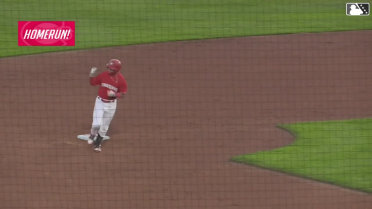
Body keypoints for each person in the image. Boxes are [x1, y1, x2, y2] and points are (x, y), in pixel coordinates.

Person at [88, 59, 128, 152]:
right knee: (96, 124)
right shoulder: (103, 75)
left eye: (111, 69)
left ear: (116, 70)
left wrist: (115, 94)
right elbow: (92, 83)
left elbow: (123, 94)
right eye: (108, 68)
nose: (109, 70)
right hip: (100, 102)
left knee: (105, 126)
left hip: (111, 106)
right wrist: (91, 76)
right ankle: (92, 134)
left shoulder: (121, 80)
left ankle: (97, 143)